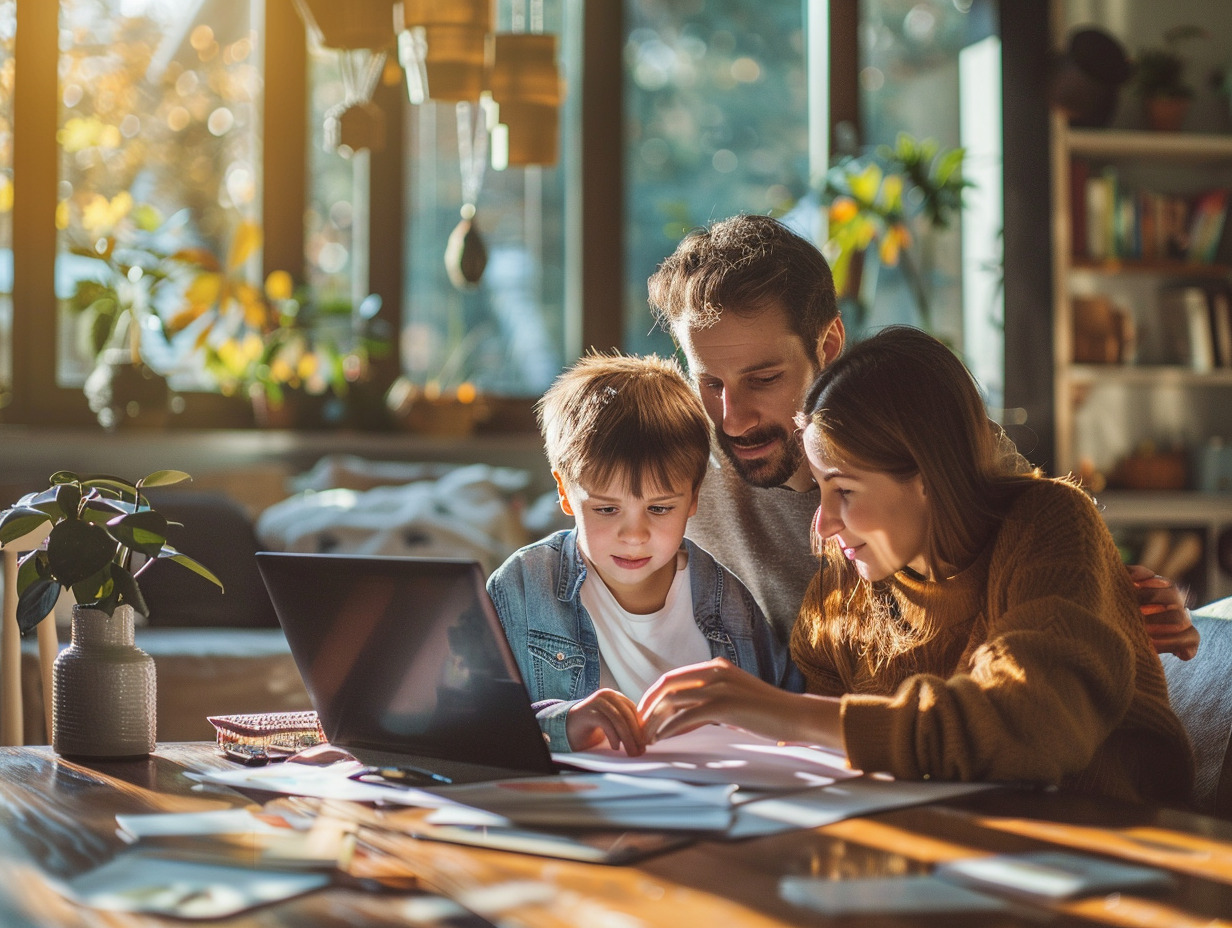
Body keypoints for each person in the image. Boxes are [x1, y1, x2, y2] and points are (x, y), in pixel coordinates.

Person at [639, 326, 1194, 805]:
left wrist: (782, 712)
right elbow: (834, 759)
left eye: (845, 491)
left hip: (1104, 847)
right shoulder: (847, 581)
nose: (824, 523)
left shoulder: (1046, 524)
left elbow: (1028, 723)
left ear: (927, 477)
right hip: (937, 847)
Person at [646, 213, 1200, 657]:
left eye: (763, 379)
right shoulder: (677, 454)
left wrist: (1123, 610)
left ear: (829, 345)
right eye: (709, 382)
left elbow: (1048, 555)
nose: (733, 417)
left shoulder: (926, 438)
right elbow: (573, 536)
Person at [487, 352, 797, 757]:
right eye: (606, 509)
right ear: (564, 491)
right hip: (570, 803)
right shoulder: (522, 588)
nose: (634, 535)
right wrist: (565, 725)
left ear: (693, 497)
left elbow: (784, 722)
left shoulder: (730, 607)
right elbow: (470, 722)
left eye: (659, 508)